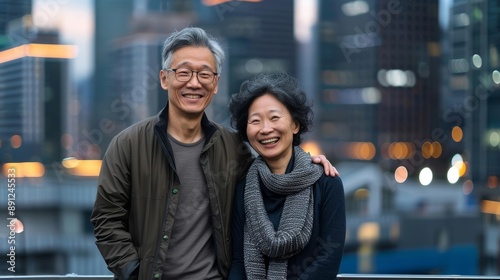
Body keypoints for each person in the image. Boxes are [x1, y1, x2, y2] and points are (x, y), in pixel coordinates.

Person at [90, 27, 338, 280]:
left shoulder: (232, 147)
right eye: (184, 72)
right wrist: (133, 272)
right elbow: (106, 219)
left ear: (216, 83)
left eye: (204, 74)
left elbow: (272, 175)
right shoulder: (128, 144)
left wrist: (308, 165)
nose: (194, 83)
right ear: (165, 78)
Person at [227, 73, 346, 280]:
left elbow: (328, 259)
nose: (266, 129)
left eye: (274, 118)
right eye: (255, 121)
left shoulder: (326, 183)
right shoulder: (244, 188)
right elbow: (238, 262)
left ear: (295, 125)